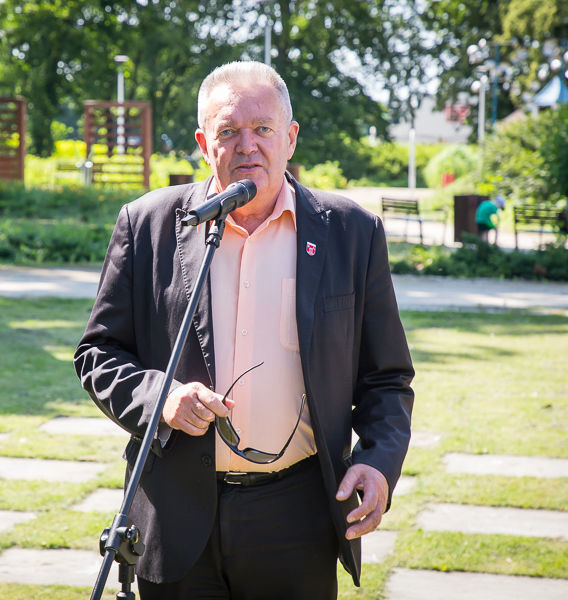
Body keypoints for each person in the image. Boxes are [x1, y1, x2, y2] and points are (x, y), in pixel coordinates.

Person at [74, 61, 414, 599]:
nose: (246, 145)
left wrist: (378, 462)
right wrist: (161, 398)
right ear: (203, 143)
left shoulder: (352, 232)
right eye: (228, 130)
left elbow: (386, 377)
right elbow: (98, 353)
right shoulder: (147, 224)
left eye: (262, 129)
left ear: (290, 138)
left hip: (298, 515)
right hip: (176, 513)